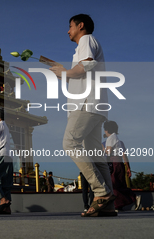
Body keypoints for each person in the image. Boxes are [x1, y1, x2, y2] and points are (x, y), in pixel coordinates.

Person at [50, 14, 116, 217]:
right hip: (95, 106)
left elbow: (83, 68)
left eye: (70, 26)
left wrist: (64, 72)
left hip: (86, 104)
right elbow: (81, 73)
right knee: (97, 155)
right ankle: (108, 205)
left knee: (69, 143)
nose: (68, 30)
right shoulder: (86, 45)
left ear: (81, 26)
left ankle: (101, 192)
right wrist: (64, 72)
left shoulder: (86, 39)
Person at [103, 121, 136, 211]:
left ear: (107, 129)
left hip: (114, 163)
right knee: (120, 184)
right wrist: (128, 168)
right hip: (120, 163)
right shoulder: (118, 140)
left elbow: (108, 152)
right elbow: (124, 155)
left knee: (113, 185)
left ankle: (122, 202)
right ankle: (122, 203)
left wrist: (102, 147)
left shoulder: (110, 138)